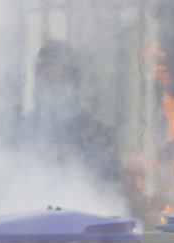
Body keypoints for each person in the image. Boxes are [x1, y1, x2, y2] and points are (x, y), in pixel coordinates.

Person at [15, 40, 121, 183]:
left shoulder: (99, 136)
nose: (53, 89)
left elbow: (110, 189)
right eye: (47, 81)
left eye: (60, 80)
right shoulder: (21, 134)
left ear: (75, 82)